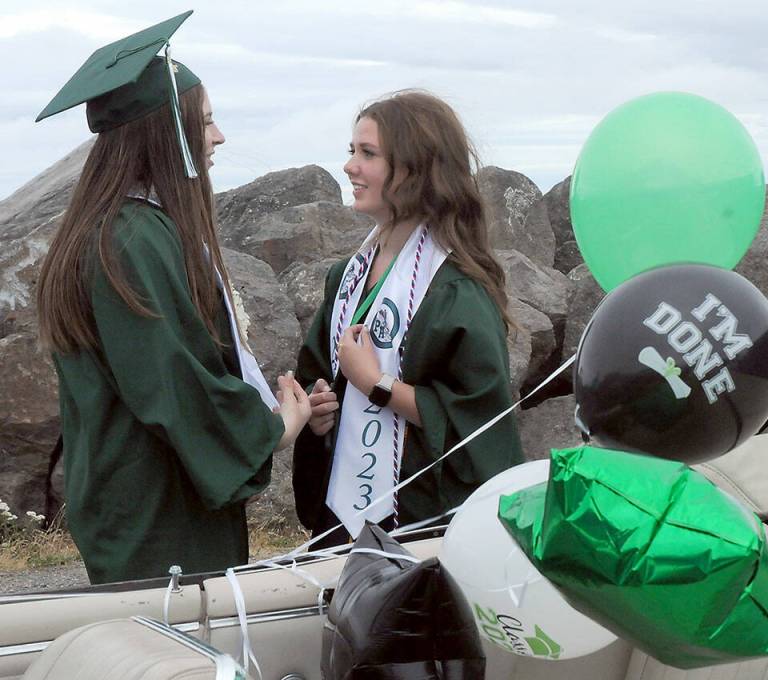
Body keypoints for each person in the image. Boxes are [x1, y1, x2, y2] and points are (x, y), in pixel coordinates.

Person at [34, 12, 311, 584]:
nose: (218, 137)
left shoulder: (115, 227)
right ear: (166, 131)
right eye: (204, 122)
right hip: (158, 512)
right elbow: (171, 380)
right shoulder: (130, 239)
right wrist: (277, 428)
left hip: (133, 496)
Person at [293, 90, 524, 546]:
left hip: (419, 525)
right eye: (351, 151)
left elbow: (476, 423)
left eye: (368, 154)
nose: (350, 166)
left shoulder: (456, 288)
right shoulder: (347, 276)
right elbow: (319, 373)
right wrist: (316, 409)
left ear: (416, 169)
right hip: (342, 513)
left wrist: (377, 385)